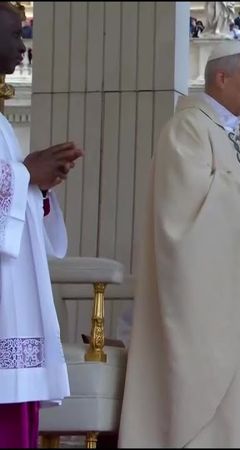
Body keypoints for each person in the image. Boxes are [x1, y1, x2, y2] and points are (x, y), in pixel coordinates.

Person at [118, 40, 240, 447]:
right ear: (221, 78)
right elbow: (180, 209)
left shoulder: (226, 135)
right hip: (203, 307)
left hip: (235, 299)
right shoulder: (189, 127)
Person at [0, 5, 84, 447]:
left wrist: (39, 184)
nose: (21, 46)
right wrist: (24, 173)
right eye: (14, 35)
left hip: (14, 303)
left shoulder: (1, 121)